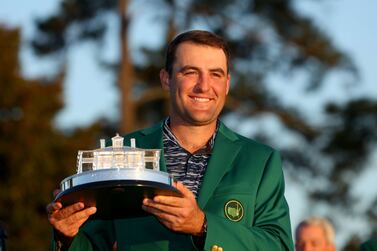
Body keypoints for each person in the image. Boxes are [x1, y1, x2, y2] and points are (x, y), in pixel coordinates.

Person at [47, 30, 293, 251]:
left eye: (215, 74)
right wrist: (66, 237)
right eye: (190, 72)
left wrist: (203, 226)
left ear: (227, 84)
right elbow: (91, 245)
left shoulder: (259, 161)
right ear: (166, 79)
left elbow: (279, 246)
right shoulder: (119, 154)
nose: (204, 86)